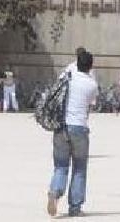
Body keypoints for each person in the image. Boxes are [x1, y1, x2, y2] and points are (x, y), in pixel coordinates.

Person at [47, 50, 98, 218]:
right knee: (79, 168)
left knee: (61, 166)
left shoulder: (67, 77)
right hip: (79, 128)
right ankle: (75, 207)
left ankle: (55, 191)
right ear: (90, 66)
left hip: (61, 126)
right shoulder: (92, 85)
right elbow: (91, 104)